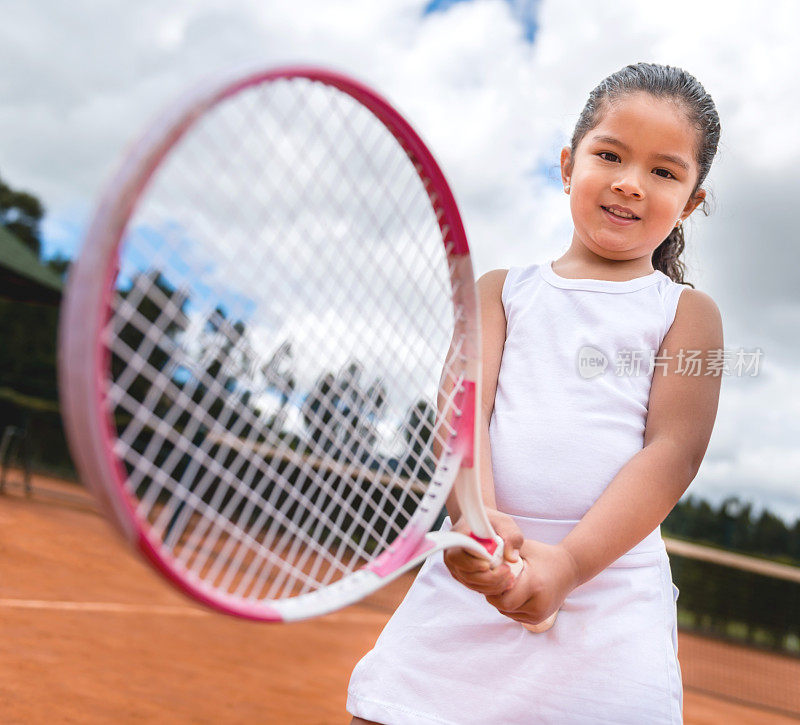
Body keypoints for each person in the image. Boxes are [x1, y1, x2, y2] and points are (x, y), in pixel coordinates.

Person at [347, 62, 723, 724]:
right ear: (567, 165)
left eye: (665, 172)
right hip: (478, 569)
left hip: (610, 600)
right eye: (609, 154)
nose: (631, 183)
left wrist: (569, 566)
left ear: (691, 200)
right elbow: (462, 413)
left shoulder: (687, 314)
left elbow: (673, 450)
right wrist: (478, 520)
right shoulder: (501, 290)